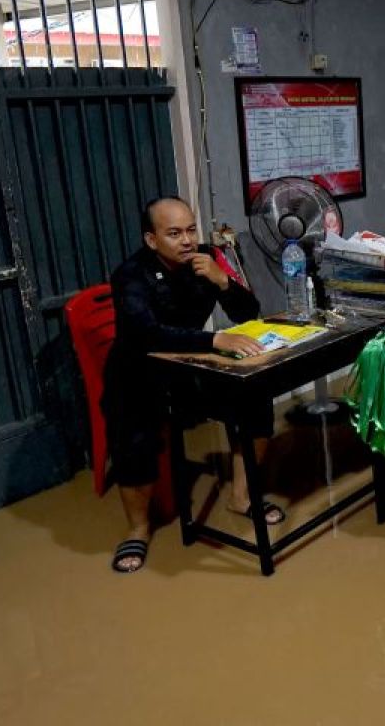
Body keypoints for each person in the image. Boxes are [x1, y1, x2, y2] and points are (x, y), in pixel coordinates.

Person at [102, 196, 285, 573]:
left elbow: (249, 312)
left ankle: (241, 495)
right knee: (133, 434)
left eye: (190, 230)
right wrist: (214, 340)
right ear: (152, 240)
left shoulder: (206, 258)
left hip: (191, 366)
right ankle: (138, 529)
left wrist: (222, 282)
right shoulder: (131, 275)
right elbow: (146, 334)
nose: (186, 241)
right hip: (139, 372)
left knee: (254, 394)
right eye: (173, 233)